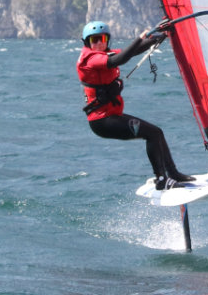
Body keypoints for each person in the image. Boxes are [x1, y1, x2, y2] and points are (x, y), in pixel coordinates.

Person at [77, 20, 197, 190]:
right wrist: (138, 38)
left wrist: (161, 35)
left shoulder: (104, 54)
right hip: (102, 122)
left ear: (107, 39)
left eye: (102, 38)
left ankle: (173, 174)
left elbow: (133, 51)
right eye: (93, 40)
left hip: (110, 116)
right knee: (152, 134)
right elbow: (121, 59)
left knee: (157, 132)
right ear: (87, 42)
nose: (98, 43)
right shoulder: (91, 60)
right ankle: (162, 180)